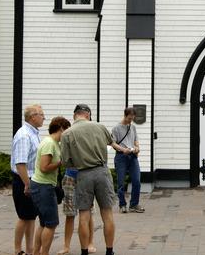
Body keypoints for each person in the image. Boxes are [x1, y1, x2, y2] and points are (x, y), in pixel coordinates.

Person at [61, 104, 131, 255]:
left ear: (75, 116)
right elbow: (111, 144)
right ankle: (109, 251)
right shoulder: (100, 127)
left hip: (83, 174)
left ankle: (84, 251)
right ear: (88, 115)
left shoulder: (67, 133)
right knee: (107, 214)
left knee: (84, 215)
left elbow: (65, 161)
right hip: (102, 172)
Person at [30, 116, 71, 255]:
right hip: (44, 187)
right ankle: (44, 253)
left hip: (42, 185)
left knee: (43, 223)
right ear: (60, 128)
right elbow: (44, 167)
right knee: (51, 223)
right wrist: (60, 163)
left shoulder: (53, 142)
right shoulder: (49, 143)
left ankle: (37, 252)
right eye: (67, 131)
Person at [11, 104, 45, 255]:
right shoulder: (24, 135)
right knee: (24, 216)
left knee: (31, 216)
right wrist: (27, 184)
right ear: (32, 117)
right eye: (41, 114)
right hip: (24, 179)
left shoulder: (33, 133)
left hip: (31, 178)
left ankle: (30, 249)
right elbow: (20, 163)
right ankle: (18, 249)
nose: (44, 117)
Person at [57, 166, 96, 255]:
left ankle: (90, 243)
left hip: (86, 177)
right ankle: (66, 246)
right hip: (70, 176)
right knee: (69, 214)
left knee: (88, 213)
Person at [112, 107, 144, 213]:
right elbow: (113, 143)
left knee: (137, 181)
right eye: (129, 118)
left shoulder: (133, 127)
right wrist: (123, 149)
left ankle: (134, 204)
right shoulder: (116, 128)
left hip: (133, 156)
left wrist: (137, 148)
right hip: (121, 156)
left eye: (132, 118)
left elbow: (136, 140)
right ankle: (122, 204)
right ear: (125, 115)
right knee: (121, 182)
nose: (131, 120)